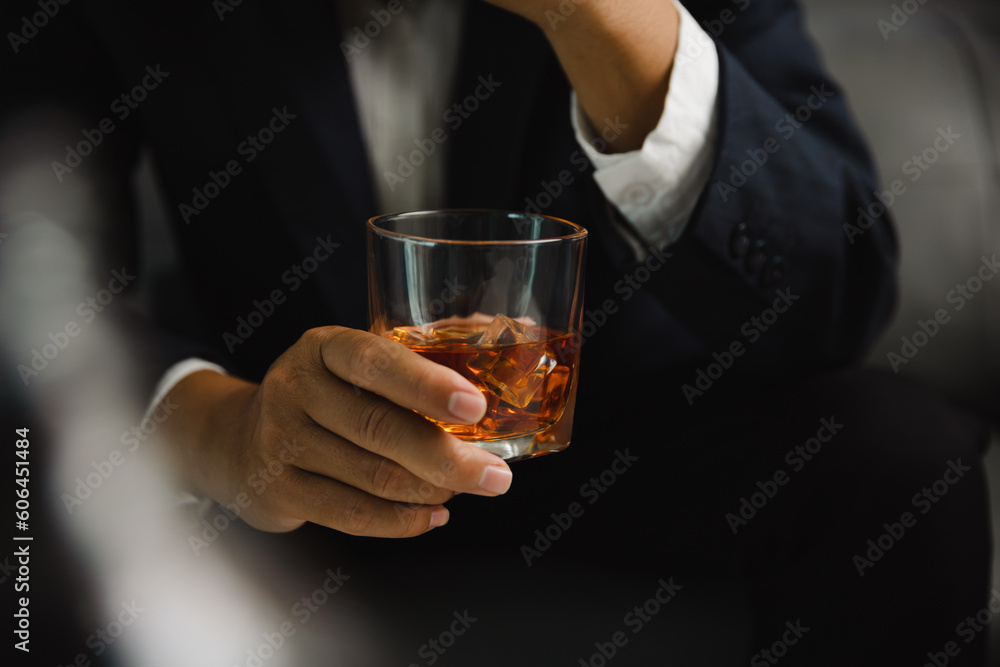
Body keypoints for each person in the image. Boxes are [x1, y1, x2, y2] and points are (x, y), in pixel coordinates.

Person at [0, 0, 989, 664]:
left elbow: (833, 298)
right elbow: (29, 270)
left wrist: (601, 19)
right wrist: (214, 428)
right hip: (292, 486)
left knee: (901, 455)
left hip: (635, 466)